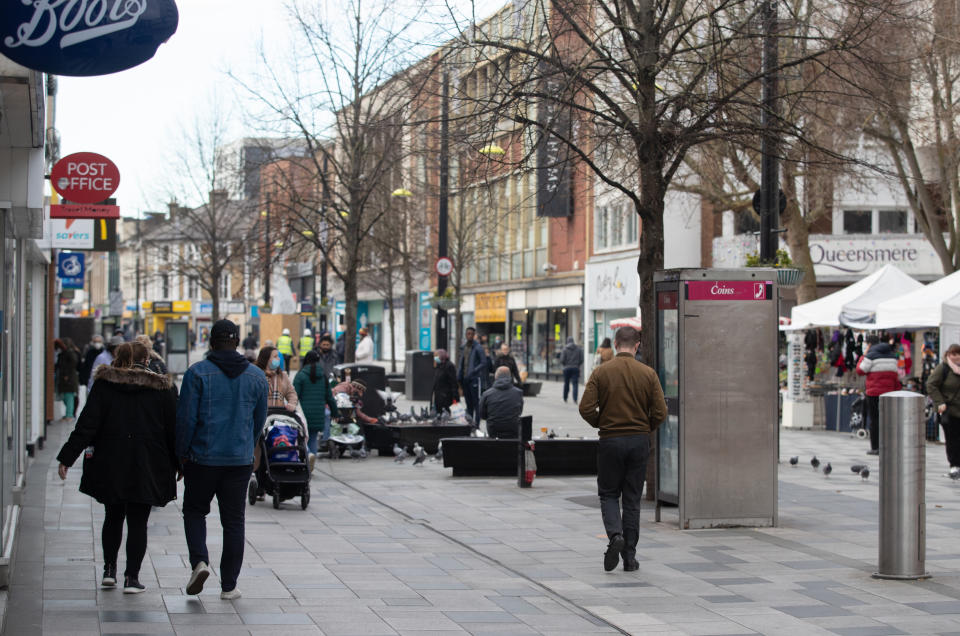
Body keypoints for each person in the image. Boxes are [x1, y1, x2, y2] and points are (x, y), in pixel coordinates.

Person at [57, 341, 178, 593]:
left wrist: (67, 458)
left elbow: (87, 425)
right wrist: (180, 464)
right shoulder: (163, 389)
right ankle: (131, 578)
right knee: (138, 521)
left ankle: (109, 570)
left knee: (112, 516)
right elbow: (174, 431)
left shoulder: (105, 386)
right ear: (147, 361)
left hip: (111, 461)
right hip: (148, 463)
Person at [176, 319, 268, 600]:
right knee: (234, 521)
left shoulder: (197, 373)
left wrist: (181, 455)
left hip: (202, 458)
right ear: (237, 342)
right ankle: (229, 585)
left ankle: (199, 562)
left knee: (194, 511)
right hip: (238, 460)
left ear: (211, 342)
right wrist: (248, 447)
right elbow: (259, 420)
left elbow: (186, 419)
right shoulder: (256, 376)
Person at [578, 326, 667, 573]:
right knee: (631, 500)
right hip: (638, 442)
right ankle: (630, 557)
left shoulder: (601, 372)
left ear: (616, 345)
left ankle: (615, 535)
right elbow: (661, 412)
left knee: (608, 494)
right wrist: (643, 428)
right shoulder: (648, 374)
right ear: (637, 345)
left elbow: (585, 408)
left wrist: (602, 423)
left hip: (610, 440)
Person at [856, 334, 901, 456]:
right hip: (889, 393)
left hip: (873, 393)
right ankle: (887, 447)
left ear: (869, 344)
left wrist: (863, 355)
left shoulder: (870, 356)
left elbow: (860, 370)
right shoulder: (892, 357)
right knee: (887, 420)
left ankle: (875, 447)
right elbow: (895, 376)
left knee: (875, 420)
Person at [294, 350, 338, 472]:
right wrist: (335, 413)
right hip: (318, 414)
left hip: (303, 414)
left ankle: (307, 456)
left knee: (301, 438)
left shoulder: (300, 375)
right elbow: (329, 397)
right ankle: (310, 461)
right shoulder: (323, 376)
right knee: (312, 438)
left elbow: (294, 396)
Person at [927, 343, 960, 477]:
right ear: (948, 355)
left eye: (959, 354)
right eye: (954, 354)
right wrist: (939, 402)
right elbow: (931, 384)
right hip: (949, 410)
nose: (957, 357)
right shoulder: (944, 368)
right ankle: (954, 465)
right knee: (952, 439)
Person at [478, 366, 524, 438]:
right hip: (513, 430)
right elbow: (520, 411)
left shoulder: (486, 394)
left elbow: (482, 415)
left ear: (496, 377)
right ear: (510, 377)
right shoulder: (518, 393)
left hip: (494, 430)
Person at [255, 346, 299, 412]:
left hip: (278, 416)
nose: (278, 359)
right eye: (275, 356)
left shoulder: (283, 376)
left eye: (278, 356)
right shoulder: (256, 376)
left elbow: (291, 393)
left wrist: (292, 404)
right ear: (266, 359)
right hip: (261, 416)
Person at [457, 327, 487, 422]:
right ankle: (470, 424)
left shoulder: (478, 347)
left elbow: (484, 362)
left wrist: (474, 371)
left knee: (476, 404)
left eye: (471, 334)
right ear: (465, 335)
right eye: (468, 334)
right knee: (468, 403)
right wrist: (459, 376)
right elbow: (461, 363)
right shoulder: (463, 347)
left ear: (474, 335)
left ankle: (477, 426)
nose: (469, 335)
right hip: (465, 379)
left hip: (474, 379)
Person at [55, 338, 81, 422]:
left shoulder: (69, 353)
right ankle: (69, 414)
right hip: (66, 378)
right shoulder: (65, 353)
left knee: (68, 396)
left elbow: (73, 363)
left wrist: (66, 374)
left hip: (69, 379)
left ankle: (69, 415)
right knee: (66, 396)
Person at [432, 349, 459, 413]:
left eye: (436, 356)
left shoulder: (449, 366)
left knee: (446, 416)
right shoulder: (439, 366)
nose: (435, 358)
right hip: (438, 397)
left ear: (441, 356)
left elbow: (453, 382)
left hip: (446, 397)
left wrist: (455, 397)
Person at [560, 337, 584, 403]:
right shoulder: (578, 349)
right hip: (575, 368)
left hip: (567, 368)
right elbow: (581, 359)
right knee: (575, 384)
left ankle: (565, 398)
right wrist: (577, 364)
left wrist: (565, 365)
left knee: (566, 383)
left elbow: (562, 360)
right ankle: (575, 399)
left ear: (567, 341)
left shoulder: (564, 349)